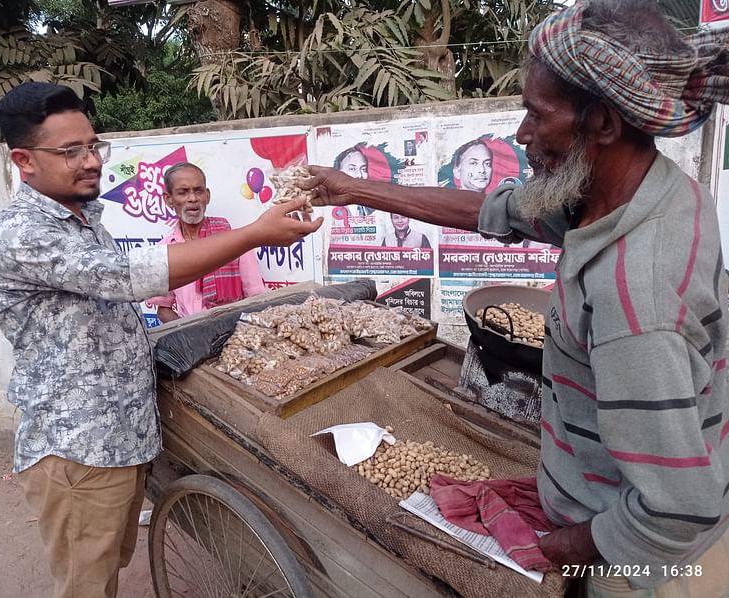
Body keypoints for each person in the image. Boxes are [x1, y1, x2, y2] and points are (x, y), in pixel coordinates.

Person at [301, 1, 729, 594]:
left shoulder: (636, 298)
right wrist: (350, 189)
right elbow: (490, 212)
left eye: (535, 113)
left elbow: (679, 509)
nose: (521, 134)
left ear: (604, 123)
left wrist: (555, 549)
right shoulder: (637, 193)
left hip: (642, 566)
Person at [0, 82, 321, 598]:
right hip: (79, 449)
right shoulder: (20, 232)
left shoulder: (84, 219)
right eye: (70, 151)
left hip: (124, 438)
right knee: (85, 585)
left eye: (93, 145)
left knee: (105, 571)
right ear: (24, 161)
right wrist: (254, 233)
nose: (90, 160)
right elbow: (130, 277)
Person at [148, 162, 266, 322]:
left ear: (207, 195)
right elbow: (164, 309)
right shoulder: (164, 251)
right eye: (183, 192)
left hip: (235, 337)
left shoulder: (235, 242)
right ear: (169, 199)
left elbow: (256, 299)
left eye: (198, 191)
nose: (193, 199)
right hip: (193, 340)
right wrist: (190, 337)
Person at [334, 144, 373, 216]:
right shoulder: (329, 207)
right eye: (352, 169)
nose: (359, 175)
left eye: (363, 169)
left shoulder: (374, 208)